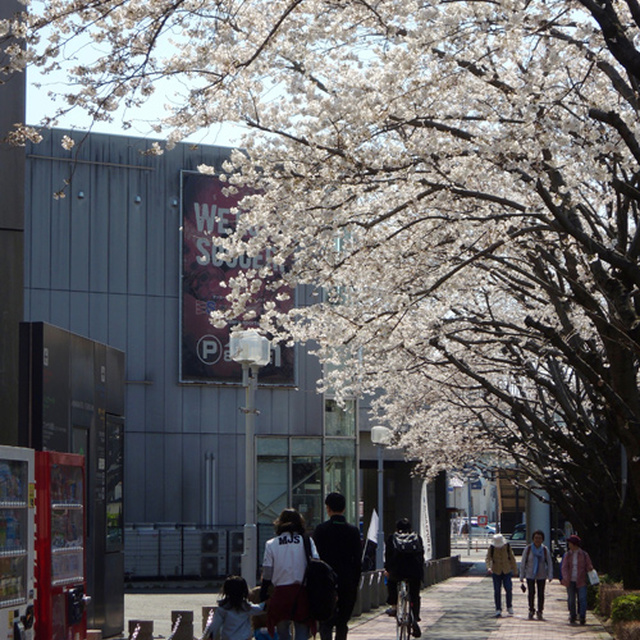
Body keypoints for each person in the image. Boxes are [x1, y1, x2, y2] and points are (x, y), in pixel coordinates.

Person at [260, 508, 319, 640]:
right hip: (302, 593)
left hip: (280, 595)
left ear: (279, 523)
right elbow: (316, 565)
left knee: (283, 634)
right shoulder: (307, 541)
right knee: (302, 633)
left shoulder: (271, 544)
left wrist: (263, 593)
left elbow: (267, 573)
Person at [313, 492, 362, 640]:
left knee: (326, 621)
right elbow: (358, 560)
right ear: (344, 509)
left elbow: (315, 559)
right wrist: (355, 582)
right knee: (342, 622)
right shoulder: (353, 531)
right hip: (347, 581)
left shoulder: (321, 530)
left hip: (325, 582)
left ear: (327, 508)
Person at [384, 518, 424, 638]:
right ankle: (415, 617)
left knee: (391, 582)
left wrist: (388, 570)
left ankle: (394, 606)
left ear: (397, 528)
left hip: (397, 571)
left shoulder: (392, 538)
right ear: (410, 528)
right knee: (414, 593)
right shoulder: (417, 538)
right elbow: (421, 556)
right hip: (414, 572)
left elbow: (388, 556)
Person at [202, 575, 265, 640]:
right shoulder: (247, 608)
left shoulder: (222, 609)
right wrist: (269, 601)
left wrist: (210, 637)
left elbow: (214, 626)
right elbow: (261, 608)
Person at [519, 529, 554, 620]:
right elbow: (523, 563)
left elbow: (549, 563)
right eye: (536, 538)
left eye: (539, 538)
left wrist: (550, 575)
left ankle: (540, 610)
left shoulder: (545, 550)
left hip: (541, 575)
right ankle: (531, 609)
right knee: (531, 593)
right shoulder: (528, 549)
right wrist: (521, 575)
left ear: (542, 539)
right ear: (533, 539)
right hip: (530, 574)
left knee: (541, 593)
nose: (537, 540)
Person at [560, 534, 594, 625]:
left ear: (574, 544)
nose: (569, 545)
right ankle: (572, 615)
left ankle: (582, 616)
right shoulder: (567, 555)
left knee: (582, 598)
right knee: (571, 599)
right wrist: (565, 578)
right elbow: (564, 567)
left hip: (581, 580)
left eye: (570, 543)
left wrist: (590, 568)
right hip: (570, 580)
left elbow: (588, 565)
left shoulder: (583, 554)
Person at [485, 533, 517, 618]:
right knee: (497, 591)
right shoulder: (491, 548)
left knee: (508, 588)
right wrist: (488, 567)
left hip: (506, 570)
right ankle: (498, 609)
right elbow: (488, 558)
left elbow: (512, 557)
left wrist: (515, 570)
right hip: (496, 571)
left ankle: (509, 606)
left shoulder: (507, 546)